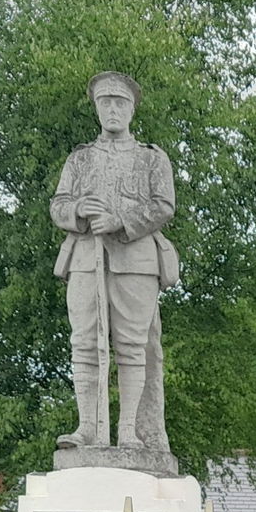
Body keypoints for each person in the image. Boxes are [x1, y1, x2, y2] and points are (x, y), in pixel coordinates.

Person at [51, 71, 179, 450]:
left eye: (119, 103)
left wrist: (121, 221)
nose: (111, 109)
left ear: (131, 109)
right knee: (85, 343)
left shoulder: (151, 159)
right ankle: (87, 428)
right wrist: (77, 209)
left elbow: (164, 205)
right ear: (96, 108)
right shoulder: (80, 159)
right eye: (104, 102)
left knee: (131, 346)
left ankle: (128, 430)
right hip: (84, 259)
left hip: (136, 260)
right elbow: (58, 205)